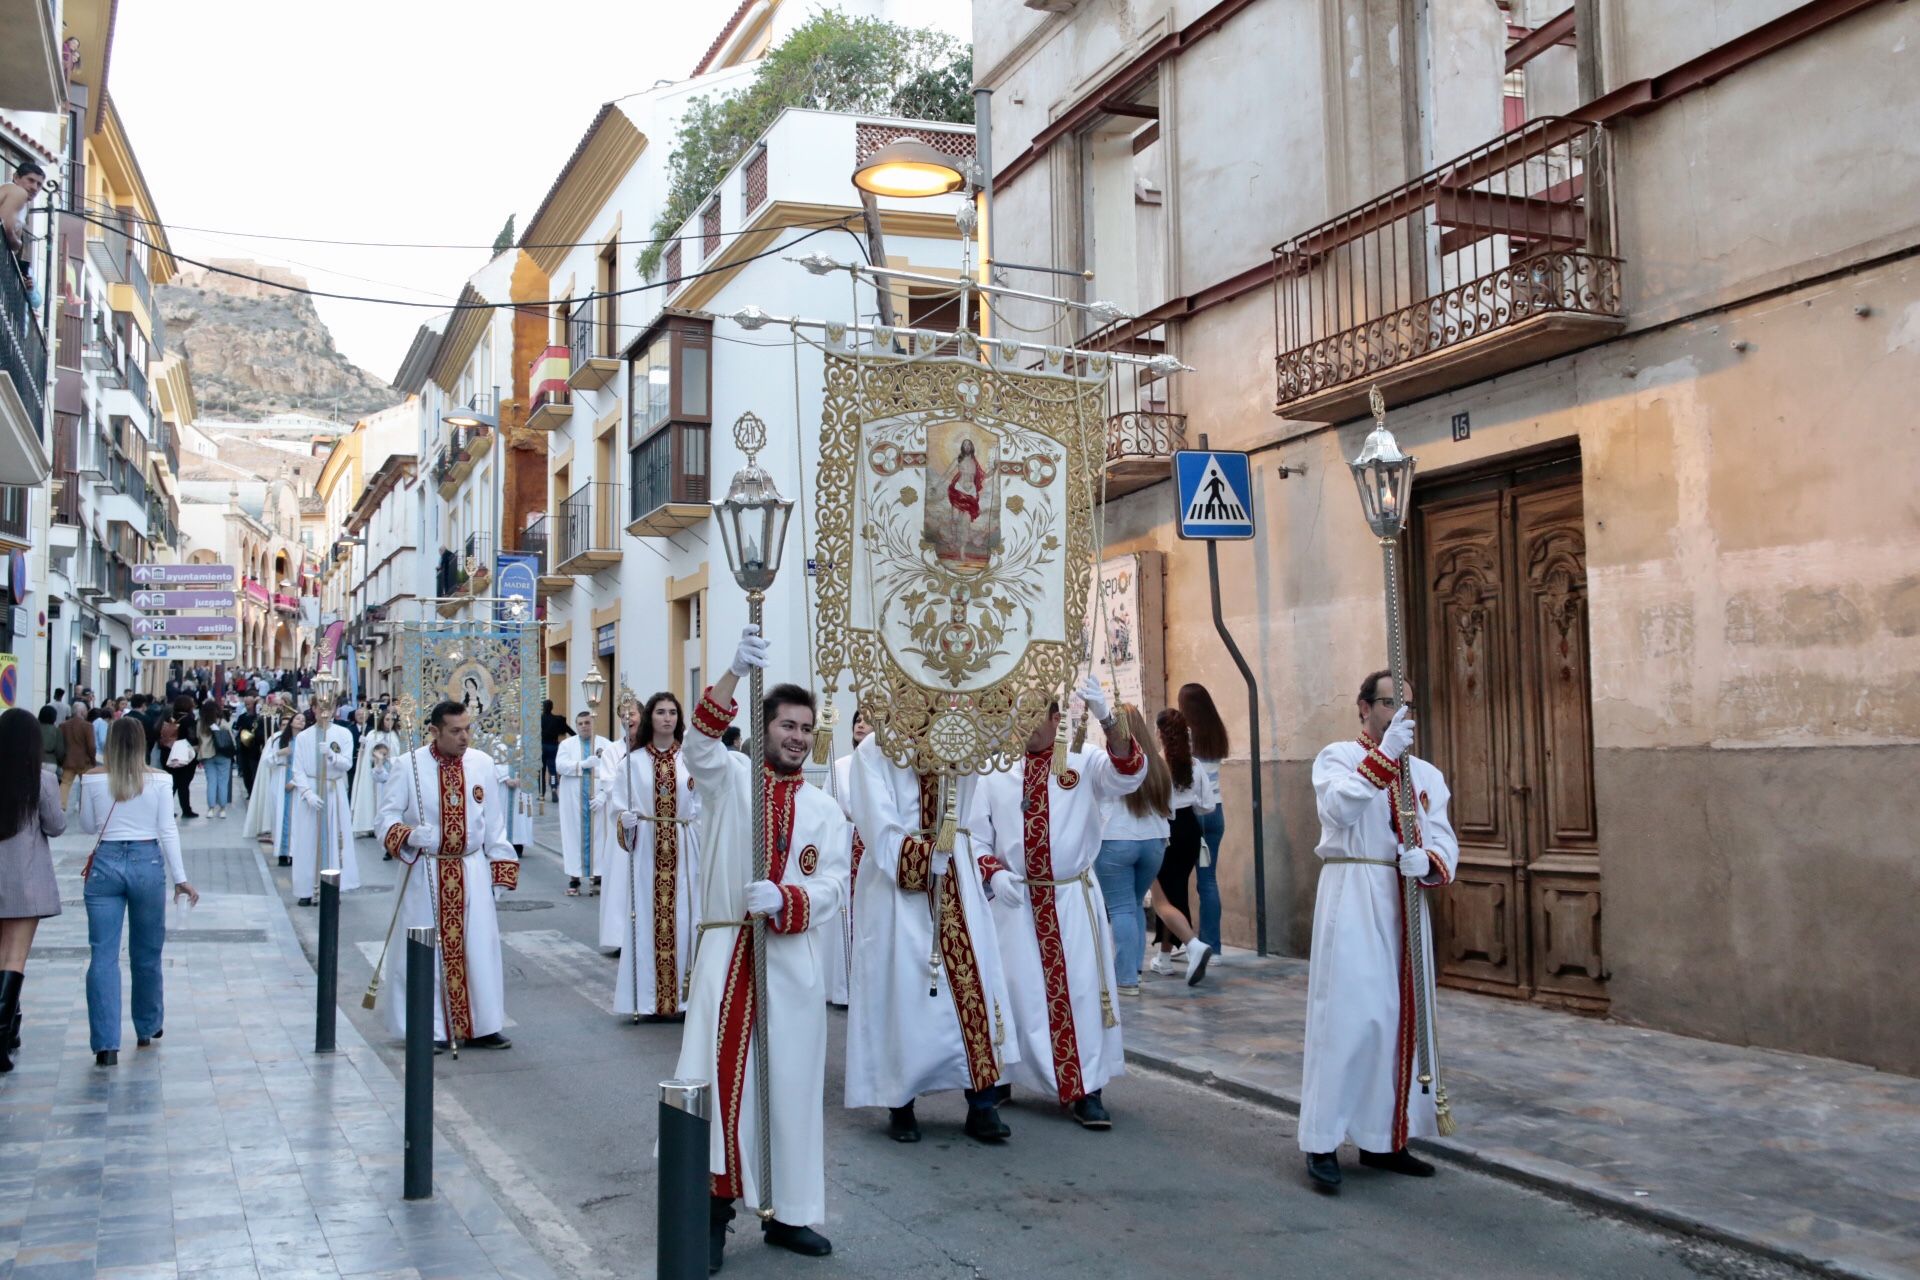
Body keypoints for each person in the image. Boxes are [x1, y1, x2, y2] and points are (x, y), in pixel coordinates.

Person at [677, 627, 850, 1269]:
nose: (797, 737)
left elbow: (835, 884)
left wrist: (789, 898)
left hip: (791, 967)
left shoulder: (825, 809)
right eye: (786, 725)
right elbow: (697, 744)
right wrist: (730, 673)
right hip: (728, 960)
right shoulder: (732, 778)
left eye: (805, 728)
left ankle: (789, 1213)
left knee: (791, 1094)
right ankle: (711, 1218)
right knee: (720, 1087)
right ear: (764, 726)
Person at [1298, 671, 1459, 1193]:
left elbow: (1445, 838)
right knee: (1350, 1017)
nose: (1397, 714)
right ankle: (1322, 1141)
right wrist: (1384, 758)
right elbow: (1338, 808)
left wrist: (1428, 860)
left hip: (1404, 901)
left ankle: (1384, 1139)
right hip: (1354, 892)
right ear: (1364, 707)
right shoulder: (1338, 757)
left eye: (1406, 705)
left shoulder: (1427, 774)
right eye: (1388, 703)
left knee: (1397, 1020)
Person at [969, 676, 1144, 1130]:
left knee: (1081, 992)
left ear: (1054, 718)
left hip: (1070, 900)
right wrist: (994, 871)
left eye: (1034, 716)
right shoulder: (994, 771)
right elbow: (974, 835)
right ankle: (1006, 1075)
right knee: (1016, 992)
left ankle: (1086, 1088)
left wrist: (1108, 718)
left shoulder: (1084, 764)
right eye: (1018, 717)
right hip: (1016, 901)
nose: (1025, 726)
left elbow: (1129, 772)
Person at [844, 722, 1016, 1146]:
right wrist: (917, 858)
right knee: (902, 991)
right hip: (896, 886)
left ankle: (982, 1102)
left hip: (957, 872)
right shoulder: (875, 748)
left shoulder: (960, 734)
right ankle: (900, 1103)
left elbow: (998, 737)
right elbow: (876, 822)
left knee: (974, 983)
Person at [377, 701, 517, 1050]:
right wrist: (409, 835)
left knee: (479, 949)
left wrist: (500, 870)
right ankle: (429, 1028)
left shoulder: (482, 764)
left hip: (471, 869)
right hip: (426, 869)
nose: (464, 737)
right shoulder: (407, 766)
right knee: (425, 951)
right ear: (434, 731)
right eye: (455, 731)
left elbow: (494, 824)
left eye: (467, 729)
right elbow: (385, 818)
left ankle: (482, 1025)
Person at [78, 717, 200, 1067]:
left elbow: (87, 826)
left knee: (103, 954)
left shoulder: (92, 778)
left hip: (106, 864)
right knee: (147, 951)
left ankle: (106, 1044)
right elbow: (167, 829)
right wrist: (180, 877)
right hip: (147, 862)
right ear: (143, 743)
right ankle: (147, 1026)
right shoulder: (159, 779)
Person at [604, 692, 699, 1021]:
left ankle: (684, 999)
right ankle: (647, 1000)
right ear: (650, 718)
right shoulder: (632, 763)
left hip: (684, 849)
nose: (667, 718)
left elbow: (703, 805)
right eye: (660, 712)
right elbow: (619, 808)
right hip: (647, 851)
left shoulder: (690, 760)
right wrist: (625, 822)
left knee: (684, 919)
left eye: (673, 712)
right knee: (645, 919)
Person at [0, 708, 65, 1073]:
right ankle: (2, 1038)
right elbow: (56, 826)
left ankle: (10, 1030)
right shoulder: (40, 780)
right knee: (14, 958)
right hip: (24, 880)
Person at [1094, 706, 1172, 996]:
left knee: (1121, 908)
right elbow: (1170, 806)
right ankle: (1134, 970)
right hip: (1155, 840)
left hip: (1116, 839)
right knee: (1135, 904)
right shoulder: (1158, 764)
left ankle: (1125, 978)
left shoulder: (1110, 761)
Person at [1145, 708, 1216, 983]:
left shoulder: (1156, 765)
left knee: (1163, 897)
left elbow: (1151, 805)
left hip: (1165, 831)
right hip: (1190, 831)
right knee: (1177, 892)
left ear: (1160, 734)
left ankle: (1191, 944)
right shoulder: (1194, 765)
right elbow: (1207, 805)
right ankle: (1164, 957)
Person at [822, 706, 872, 1007]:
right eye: (857, 720)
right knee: (843, 909)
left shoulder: (884, 765)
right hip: (845, 841)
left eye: (867, 721)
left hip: (871, 842)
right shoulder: (840, 765)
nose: (860, 725)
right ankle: (842, 987)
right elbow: (827, 805)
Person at [289, 698, 360, 907]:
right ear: (313, 709)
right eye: (320, 708)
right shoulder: (304, 737)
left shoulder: (343, 734)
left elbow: (347, 764)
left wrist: (331, 755)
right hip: (311, 791)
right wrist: (307, 793)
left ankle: (332, 888)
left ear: (335, 710)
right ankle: (306, 889)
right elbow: (297, 770)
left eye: (329, 708)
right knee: (307, 840)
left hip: (333, 789)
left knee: (335, 840)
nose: (324, 712)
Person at [1178, 683, 1231, 956]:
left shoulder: (1185, 735)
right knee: (1208, 881)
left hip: (1193, 811)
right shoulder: (1216, 731)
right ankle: (1213, 947)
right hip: (1216, 811)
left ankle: (1183, 942)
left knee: (1176, 880)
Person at [554, 709, 613, 900]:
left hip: (598, 799)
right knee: (574, 835)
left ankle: (598, 877)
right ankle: (574, 879)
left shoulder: (606, 745)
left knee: (600, 835)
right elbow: (560, 766)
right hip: (573, 800)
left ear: (593, 723)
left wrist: (603, 795)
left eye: (587, 723)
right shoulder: (566, 744)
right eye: (580, 723)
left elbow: (614, 772)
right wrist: (583, 764)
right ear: (576, 725)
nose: (584, 726)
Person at [242, 698, 292, 844]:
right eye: (276, 705)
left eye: (281, 704)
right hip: (270, 765)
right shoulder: (264, 721)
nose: (279, 707)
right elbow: (257, 738)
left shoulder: (294, 728)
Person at [0, 161, 45, 308]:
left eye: (39, 184)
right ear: (16, 177)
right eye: (30, 180)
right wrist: (18, 243)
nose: (34, 187)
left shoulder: (20, 201)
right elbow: (6, 227)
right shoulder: (17, 192)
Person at [353, 709, 402, 838]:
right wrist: (367, 747)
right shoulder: (373, 734)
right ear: (382, 720)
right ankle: (370, 824)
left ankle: (385, 826)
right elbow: (367, 754)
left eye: (392, 720)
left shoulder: (395, 735)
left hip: (389, 772)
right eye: (387, 719)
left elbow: (397, 753)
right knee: (371, 797)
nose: (390, 722)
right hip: (373, 771)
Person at [161, 697, 200, 820]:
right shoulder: (189, 719)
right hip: (183, 754)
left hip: (168, 753)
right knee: (183, 784)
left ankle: (165, 810)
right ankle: (186, 809)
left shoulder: (169, 717)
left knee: (171, 784)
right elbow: (192, 737)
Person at [58, 701, 96, 808]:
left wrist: (61, 760)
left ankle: (61, 805)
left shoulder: (63, 725)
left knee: (65, 783)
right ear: (82, 712)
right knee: (85, 786)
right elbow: (91, 746)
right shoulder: (88, 726)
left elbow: (60, 744)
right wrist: (93, 760)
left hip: (68, 761)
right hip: (84, 762)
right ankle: (84, 807)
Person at [203, 702, 237, 819]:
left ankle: (211, 809)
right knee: (223, 782)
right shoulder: (222, 722)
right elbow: (231, 738)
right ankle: (222, 809)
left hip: (207, 754)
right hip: (223, 754)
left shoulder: (201, 723)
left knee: (211, 782)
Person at [233, 694, 263, 799]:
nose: (247, 707)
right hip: (244, 749)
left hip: (255, 750)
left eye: (249, 704)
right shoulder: (243, 717)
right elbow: (236, 728)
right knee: (246, 772)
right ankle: (249, 792)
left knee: (254, 772)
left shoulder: (259, 717)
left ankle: (254, 793)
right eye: (245, 704)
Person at [540, 699, 570, 800]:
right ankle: (553, 788)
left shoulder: (539, 719)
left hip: (542, 747)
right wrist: (577, 737)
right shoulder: (557, 719)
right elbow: (568, 730)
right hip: (553, 747)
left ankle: (541, 793)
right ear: (552, 707)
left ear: (543, 707)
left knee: (541, 771)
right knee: (552, 770)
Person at [38, 705, 60, 770]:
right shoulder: (56, 731)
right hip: (50, 762)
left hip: (35, 760)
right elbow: (60, 751)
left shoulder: (34, 727)